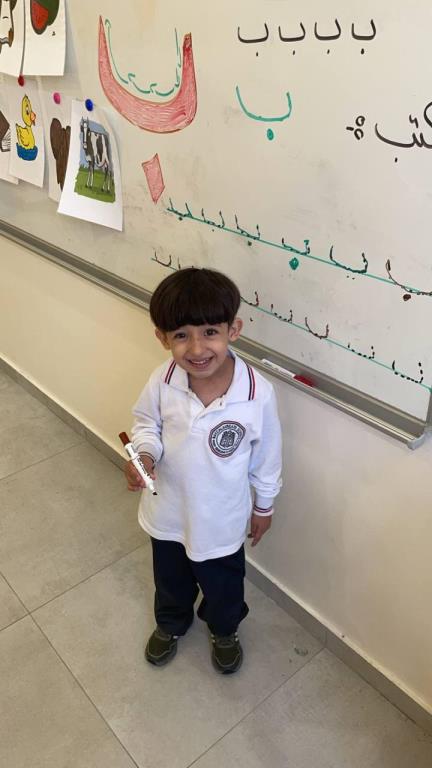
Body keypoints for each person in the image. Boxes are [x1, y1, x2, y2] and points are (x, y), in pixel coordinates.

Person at [125, 267, 282, 674]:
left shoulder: (257, 394)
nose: (197, 348)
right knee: (170, 581)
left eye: (210, 331)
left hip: (221, 520)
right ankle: (171, 624)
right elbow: (146, 425)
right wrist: (145, 455)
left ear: (234, 330)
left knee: (223, 586)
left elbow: (267, 458)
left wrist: (263, 506)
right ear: (163, 338)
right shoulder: (162, 380)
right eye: (181, 335)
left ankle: (224, 629)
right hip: (168, 512)